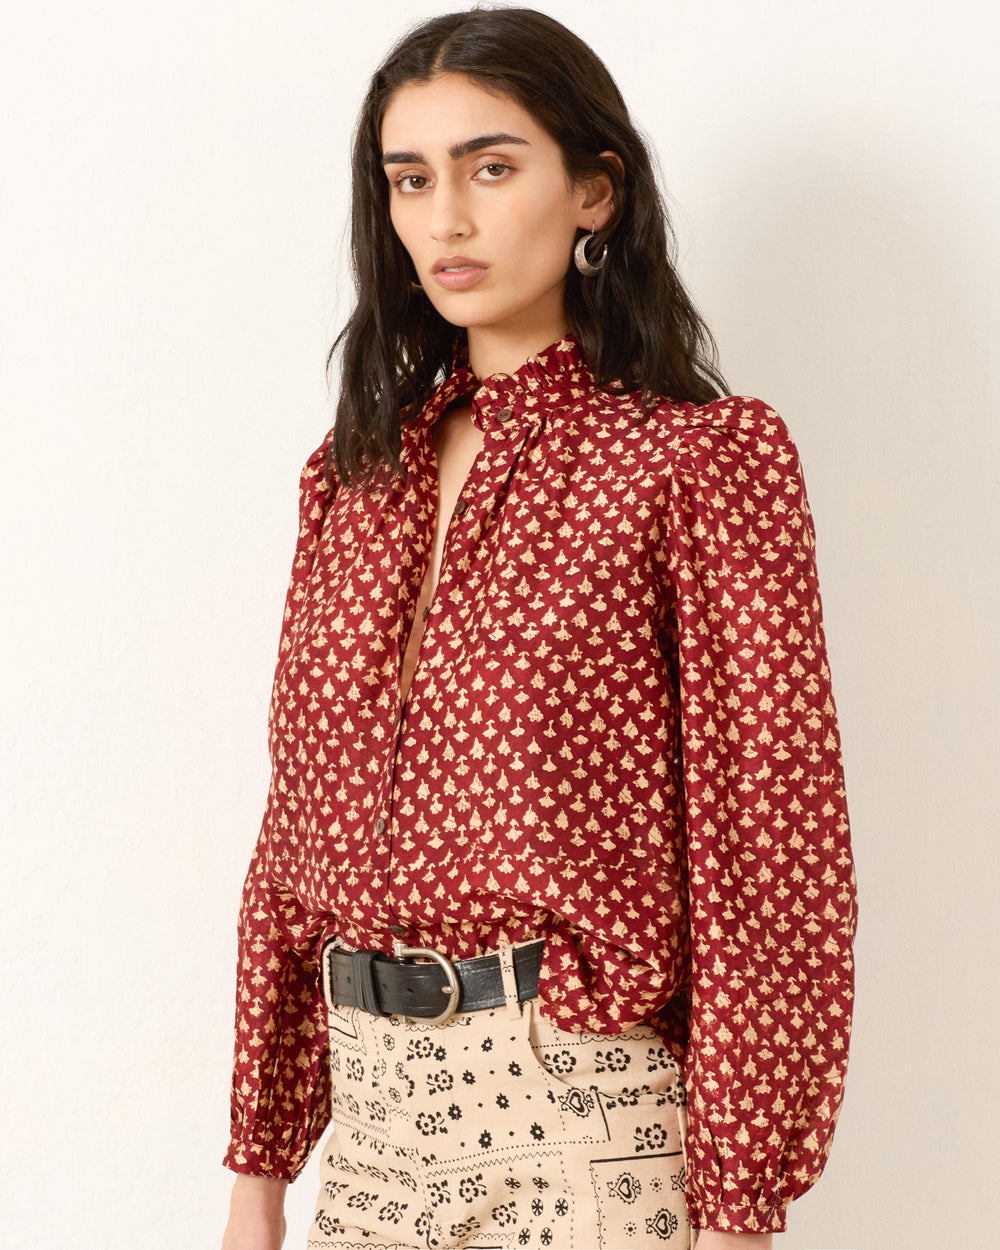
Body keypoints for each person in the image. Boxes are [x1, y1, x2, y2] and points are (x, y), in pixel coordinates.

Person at [220, 8, 857, 1249]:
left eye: (490, 166)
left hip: (576, 1109)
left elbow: (768, 847)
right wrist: (259, 1167)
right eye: (411, 178)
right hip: (371, 1123)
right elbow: (290, 834)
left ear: (596, 192)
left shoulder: (696, 462)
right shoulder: (352, 477)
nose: (445, 218)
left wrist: (737, 1207)